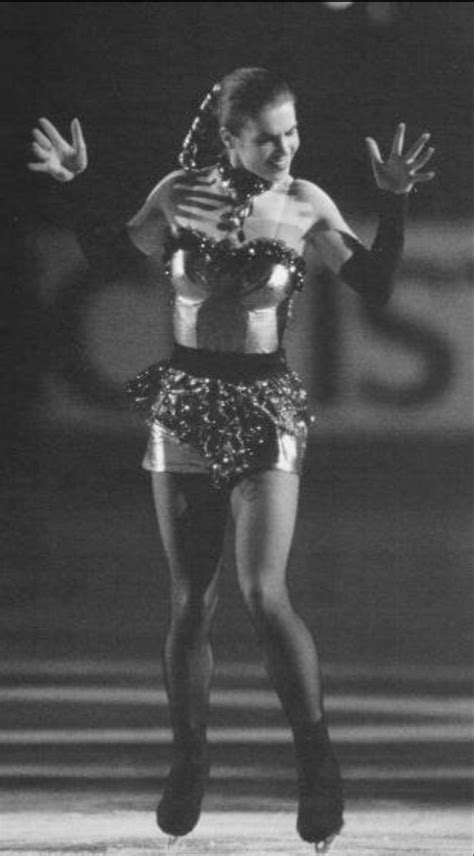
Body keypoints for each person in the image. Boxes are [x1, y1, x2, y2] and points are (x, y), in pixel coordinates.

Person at [28, 67, 434, 853]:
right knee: (192, 602)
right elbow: (112, 264)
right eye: (269, 136)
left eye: (293, 131)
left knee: (261, 589)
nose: (286, 147)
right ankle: (190, 759)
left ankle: (316, 760)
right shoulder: (179, 192)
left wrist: (395, 199)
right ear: (231, 138)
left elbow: (376, 285)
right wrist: (78, 188)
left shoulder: (305, 203)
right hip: (182, 404)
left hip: (265, 407)